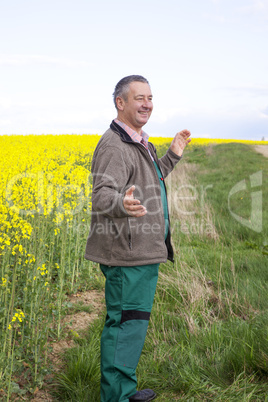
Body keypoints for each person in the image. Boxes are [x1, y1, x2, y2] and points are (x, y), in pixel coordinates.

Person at [85, 75, 191, 402]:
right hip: (126, 256)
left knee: (133, 326)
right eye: (139, 98)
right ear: (121, 103)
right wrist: (121, 203)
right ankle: (116, 396)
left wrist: (172, 154)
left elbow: (150, 176)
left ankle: (124, 390)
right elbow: (101, 194)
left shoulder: (139, 140)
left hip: (142, 252)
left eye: (150, 97)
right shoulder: (114, 145)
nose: (147, 104)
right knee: (125, 326)